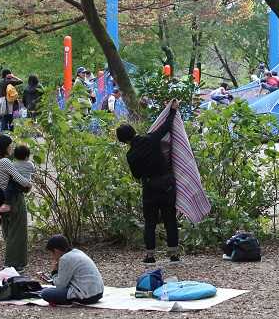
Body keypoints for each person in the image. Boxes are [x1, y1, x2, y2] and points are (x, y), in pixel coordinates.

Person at [116, 99, 181, 264]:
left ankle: (150, 256)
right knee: (170, 219)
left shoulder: (130, 155)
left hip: (149, 187)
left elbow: (137, 175)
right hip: (166, 184)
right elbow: (166, 126)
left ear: (123, 141)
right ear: (134, 131)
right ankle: (174, 254)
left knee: (150, 222)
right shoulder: (152, 139)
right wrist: (172, 110)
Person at [0, 135, 32, 270]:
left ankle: (11, 262)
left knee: (8, 231)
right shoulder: (5, 162)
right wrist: (29, 185)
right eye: (10, 146)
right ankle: (14, 264)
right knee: (18, 233)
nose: (12, 148)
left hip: (1, 200)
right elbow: (21, 180)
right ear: (5, 147)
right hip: (14, 200)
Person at [39, 235, 104, 305]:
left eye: (51, 253)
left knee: (45, 293)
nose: (52, 256)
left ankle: (71, 301)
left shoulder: (65, 259)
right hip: (98, 293)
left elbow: (60, 286)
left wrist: (54, 272)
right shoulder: (77, 252)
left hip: (86, 296)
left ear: (56, 250)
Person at [1, 144, 35, 213]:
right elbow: (33, 172)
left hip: (17, 185)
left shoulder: (14, 164)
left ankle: (6, 203)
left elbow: (10, 174)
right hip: (26, 187)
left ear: (15, 156)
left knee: (9, 188)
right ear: (27, 157)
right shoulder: (31, 164)